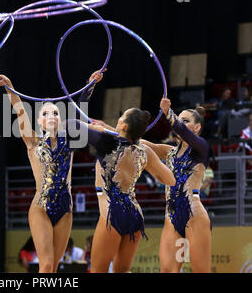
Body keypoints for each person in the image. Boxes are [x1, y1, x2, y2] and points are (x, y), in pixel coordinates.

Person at [0, 70, 104, 273]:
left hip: (65, 209)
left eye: (55, 113)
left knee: (53, 267)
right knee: (44, 265)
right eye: (45, 113)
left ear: (61, 119)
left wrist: (90, 84)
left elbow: (80, 110)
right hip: (40, 207)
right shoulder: (33, 141)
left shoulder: (69, 139)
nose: (51, 116)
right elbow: (20, 111)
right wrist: (10, 89)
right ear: (39, 122)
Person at [71, 110, 175, 273]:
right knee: (123, 270)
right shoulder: (144, 151)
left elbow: (73, 124)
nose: (117, 120)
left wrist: (103, 130)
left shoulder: (105, 141)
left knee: (98, 270)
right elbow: (170, 180)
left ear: (124, 125)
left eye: (120, 118)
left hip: (112, 211)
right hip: (134, 213)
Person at [141, 98, 212, 273]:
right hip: (171, 218)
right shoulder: (170, 152)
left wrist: (169, 114)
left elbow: (183, 132)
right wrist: (114, 130)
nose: (180, 123)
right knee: (166, 271)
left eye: (185, 120)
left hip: (194, 216)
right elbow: (142, 144)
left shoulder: (201, 149)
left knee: (200, 271)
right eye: (179, 119)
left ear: (197, 128)